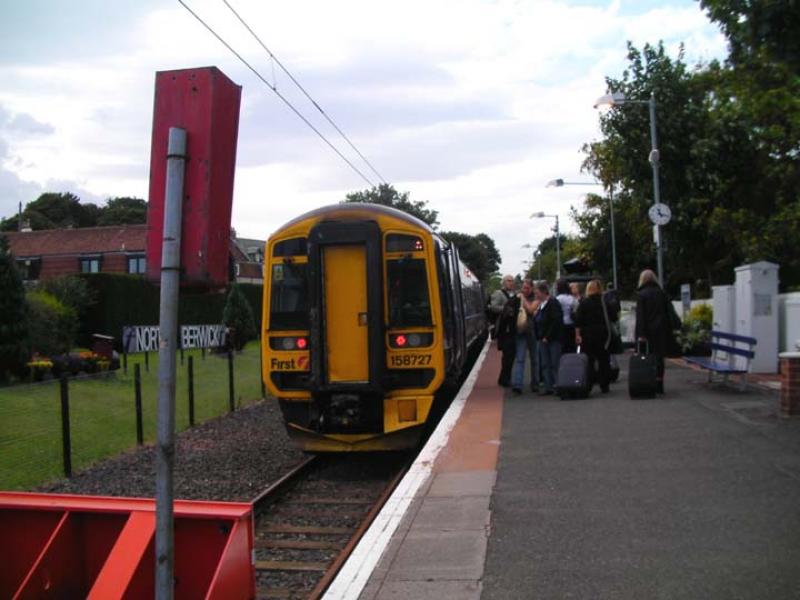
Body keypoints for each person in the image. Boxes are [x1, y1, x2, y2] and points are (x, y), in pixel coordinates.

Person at [634, 269, 671, 394]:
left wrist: (641, 334)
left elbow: (641, 317)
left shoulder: (641, 294)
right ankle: (659, 383)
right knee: (659, 357)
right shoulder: (661, 293)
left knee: (646, 357)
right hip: (661, 329)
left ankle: (647, 381)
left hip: (647, 331)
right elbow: (667, 312)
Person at [574, 279, 612, 394]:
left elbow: (578, 320)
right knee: (604, 359)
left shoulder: (584, 303)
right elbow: (613, 317)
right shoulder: (605, 302)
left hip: (588, 334)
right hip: (603, 334)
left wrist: (578, 335)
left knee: (589, 360)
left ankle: (589, 383)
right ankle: (604, 385)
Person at [533, 282, 563, 395]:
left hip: (552, 339)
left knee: (555, 363)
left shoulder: (553, 303)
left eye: (537, 293)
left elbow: (556, 321)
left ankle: (558, 385)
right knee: (545, 364)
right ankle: (548, 386)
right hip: (542, 338)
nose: (535, 295)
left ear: (543, 292)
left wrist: (547, 336)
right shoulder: (541, 305)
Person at [511, 279, 539, 394]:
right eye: (523, 288)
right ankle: (518, 384)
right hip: (521, 331)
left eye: (527, 288)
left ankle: (535, 383)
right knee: (520, 358)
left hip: (533, 331)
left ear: (532, 288)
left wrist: (523, 299)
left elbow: (531, 310)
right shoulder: (517, 298)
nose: (524, 290)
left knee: (535, 359)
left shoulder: (536, 298)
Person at [490, 274, 518, 387]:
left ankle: (505, 377)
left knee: (511, 355)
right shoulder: (499, 293)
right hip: (504, 328)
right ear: (503, 282)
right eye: (508, 281)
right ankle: (504, 379)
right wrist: (506, 309)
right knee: (507, 354)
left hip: (512, 328)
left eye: (512, 281)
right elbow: (493, 307)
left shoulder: (514, 294)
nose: (511, 283)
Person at [555, 279, 577, 354]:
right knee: (571, 347)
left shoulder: (557, 299)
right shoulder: (573, 299)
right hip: (571, 325)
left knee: (562, 349)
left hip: (561, 325)